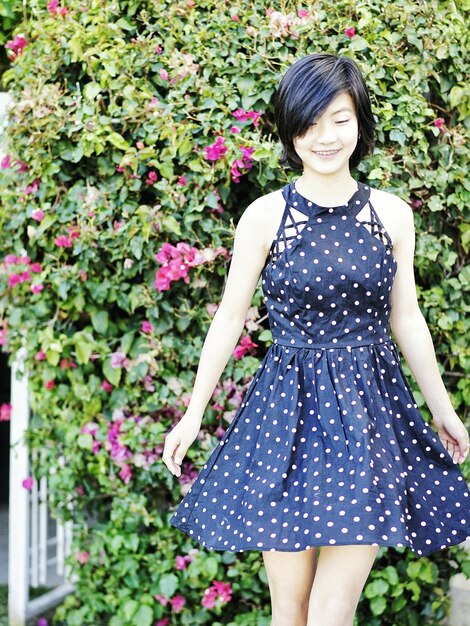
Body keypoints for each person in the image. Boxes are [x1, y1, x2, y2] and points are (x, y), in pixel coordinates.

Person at [162, 53, 470, 626]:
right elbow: (229, 319)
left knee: (332, 611)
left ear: (361, 124)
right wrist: (192, 414)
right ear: (288, 130)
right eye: (309, 123)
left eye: (340, 119)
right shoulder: (263, 217)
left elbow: (407, 319)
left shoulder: (392, 215)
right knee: (291, 608)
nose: (325, 137)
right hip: (287, 421)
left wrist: (443, 409)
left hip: (367, 417)